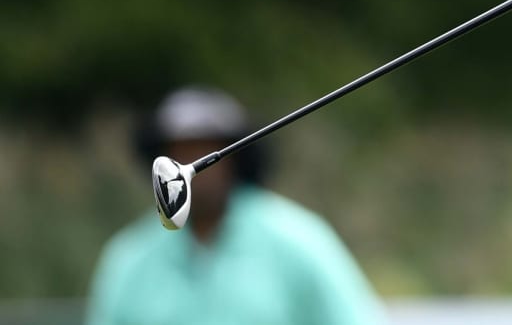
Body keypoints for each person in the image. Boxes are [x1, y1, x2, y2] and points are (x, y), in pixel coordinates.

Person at [86, 86, 385, 325]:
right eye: (180, 151)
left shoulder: (301, 241)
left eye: (205, 151)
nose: (195, 167)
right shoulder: (129, 258)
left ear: (235, 161)